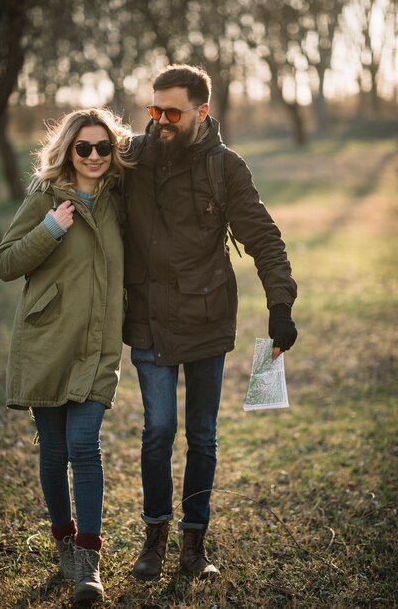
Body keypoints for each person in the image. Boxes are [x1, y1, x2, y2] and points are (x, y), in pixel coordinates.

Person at [121, 64, 298, 581]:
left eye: (172, 112)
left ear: (202, 112)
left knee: (202, 434)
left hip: (206, 318)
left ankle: (193, 547)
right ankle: (153, 537)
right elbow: (79, 180)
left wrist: (280, 305)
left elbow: (263, 237)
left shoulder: (226, 167)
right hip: (149, 319)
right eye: (154, 111)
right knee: (158, 429)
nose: (160, 122)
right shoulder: (131, 157)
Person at [0, 108, 131, 603]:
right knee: (53, 454)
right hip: (47, 341)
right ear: (69, 150)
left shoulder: (121, 199)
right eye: (84, 148)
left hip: (97, 346)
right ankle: (64, 546)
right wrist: (50, 228)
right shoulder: (45, 196)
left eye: (103, 147)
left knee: (83, 447)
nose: (94, 156)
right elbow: (5, 263)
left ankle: (89, 565)